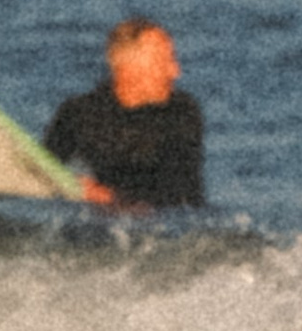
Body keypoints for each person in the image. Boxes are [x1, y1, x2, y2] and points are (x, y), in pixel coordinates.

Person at [44, 16, 205, 208]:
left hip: (176, 227)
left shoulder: (182, 112)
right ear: (128, 69)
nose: (175, 71)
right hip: (100, 224)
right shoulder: (80, 113)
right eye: (163, 62)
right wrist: (70, 185)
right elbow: (42, 172)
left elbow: (180, 193)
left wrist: (109, 197)